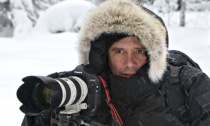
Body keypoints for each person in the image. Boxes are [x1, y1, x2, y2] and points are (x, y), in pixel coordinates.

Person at [20, 0, 210, 126]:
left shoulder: (188, 84)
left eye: (139, 51)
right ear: (102, 55)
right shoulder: (80, 91)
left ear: (154, 54)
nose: (129, 63)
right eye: (119, 51)